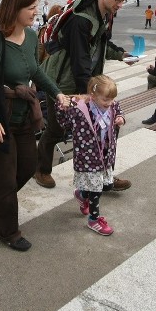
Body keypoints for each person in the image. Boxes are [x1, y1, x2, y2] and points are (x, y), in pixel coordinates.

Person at [0, 0, 67, 252]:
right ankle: (8, 232)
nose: (37, 12)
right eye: (31, 7)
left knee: (27, 166)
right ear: (14, 9)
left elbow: (35, 72)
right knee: (5, 178)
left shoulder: (32, 37)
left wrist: (57, 93)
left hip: (23, 117)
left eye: (36, 7)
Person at [35, 0, 133, 191]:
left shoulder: (105, 13)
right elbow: (80, 60)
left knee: (106, 129)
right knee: (57, 130)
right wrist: (90, 96)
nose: (120, 4)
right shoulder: (81, 20)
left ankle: (105, 177)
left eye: (123, 0)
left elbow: (101, 44)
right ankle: (41, 169)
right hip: (61, 83)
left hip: (85, 80)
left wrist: (121, 55)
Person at [57, 75, 125, 236]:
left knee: (106, 185)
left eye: (112, 99)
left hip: (105, 154)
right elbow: (64, 122)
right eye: (105, 99)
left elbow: (118, 110)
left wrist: (121, 118)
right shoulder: (80, 109)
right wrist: (62, 107)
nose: (109, 102)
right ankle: (94, 219)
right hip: (87, 156)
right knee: (97, 190)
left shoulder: (112, 105)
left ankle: (81, 194)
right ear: (93, 96)